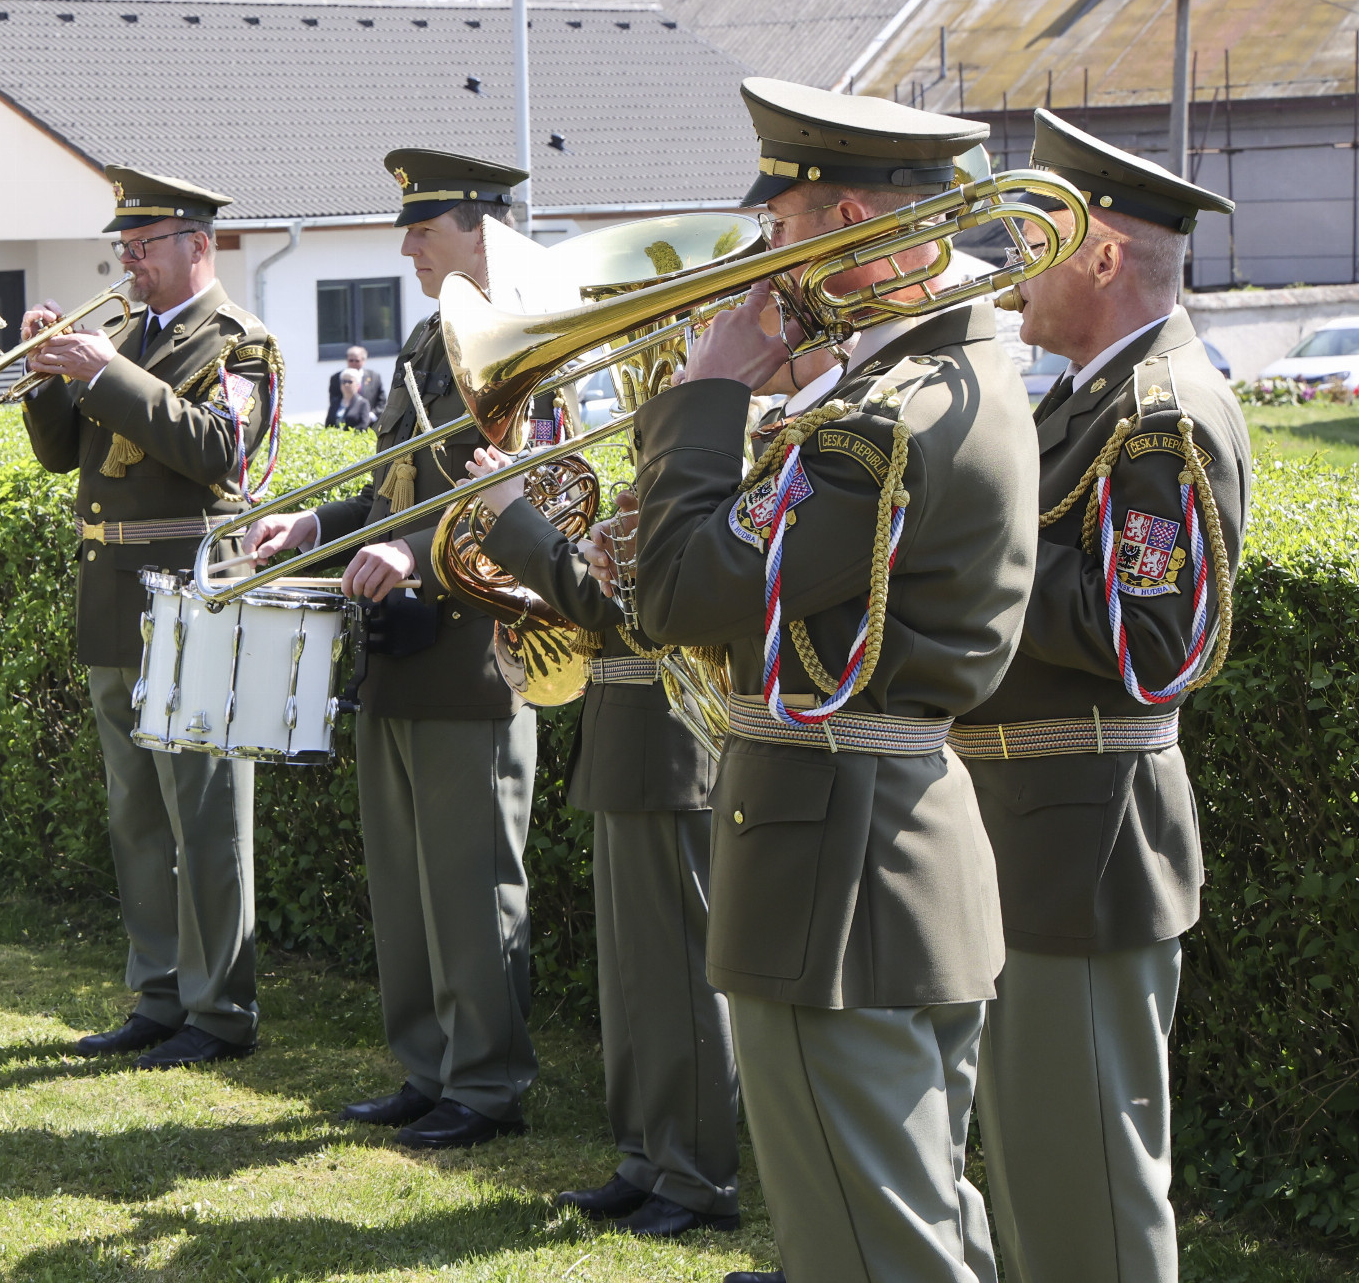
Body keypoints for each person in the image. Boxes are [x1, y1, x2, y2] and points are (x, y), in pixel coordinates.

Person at [587, 77, 1040, 1282]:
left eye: (780, 228)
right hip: (875, 855)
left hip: (836, 869)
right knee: (917, 1221)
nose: (764, 261)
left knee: (868, 1247)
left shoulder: (883, 424)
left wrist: (705, 393)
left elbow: (680, 594)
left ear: (844, 225)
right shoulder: (917, 388)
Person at [955, 111, 1246, 1283]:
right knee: (1039, 1176)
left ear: (1104, 254)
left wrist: (976, 549)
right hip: (1043, 833)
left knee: (1091, 1198)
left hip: (1087, 838)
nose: (1011, 265)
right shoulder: (1094, 396)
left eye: (1034, 241)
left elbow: (1153, 640)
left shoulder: (1161, 413)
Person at [244, 149, 538, 1150]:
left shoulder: (531, 334)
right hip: (397, 647)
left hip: (472, 651)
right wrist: (316, 527)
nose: (406, 244)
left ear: (480, 226)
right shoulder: (425, 342)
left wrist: (411, 551)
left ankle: (487, 1081)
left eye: (424, 226)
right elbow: (392, 491)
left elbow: (528, 495)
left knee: (471, 882)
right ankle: (429, 1065)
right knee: (407, 883)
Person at [20, 165, 282, 1070]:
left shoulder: (241, 343)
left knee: (204, 812)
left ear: (198, 245)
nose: (128, 262)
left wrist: (106, 371)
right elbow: (63, 455)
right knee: (136, 808)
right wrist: (44, 377)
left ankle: (222, 1006)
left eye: (144, 246)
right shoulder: (127, 335)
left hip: (195, 591)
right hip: (114, 594)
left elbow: (222, 449)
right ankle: (160, 989)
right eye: (124, 247)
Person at [463, 446, 740, 1237]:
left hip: (670, 742)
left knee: (677, 975)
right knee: (633, 982)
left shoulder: (716, 453)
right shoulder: (672, 456)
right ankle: (647, 1155)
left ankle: (695, 1175)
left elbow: (616, 599)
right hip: (626, 735)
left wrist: (516, 516)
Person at [329, 345, 386, 418]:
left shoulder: (374, 377)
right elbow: (334, 400)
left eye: (357, 361)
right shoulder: (337, 378)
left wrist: (372, 415)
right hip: (347, 420)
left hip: (370, 420)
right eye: (351, 360)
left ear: (363, 360)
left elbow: (382, 400)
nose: (353, 363)